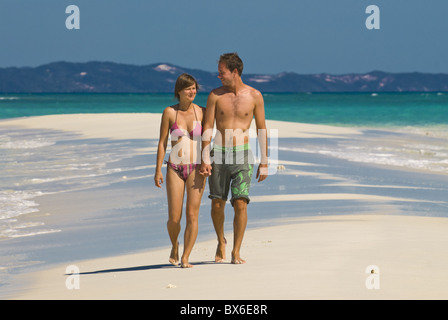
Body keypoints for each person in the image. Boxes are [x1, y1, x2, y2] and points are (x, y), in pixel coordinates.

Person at [200, 53, 268, 264]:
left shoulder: (255, 95)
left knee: (241, 203)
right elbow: (208, 126)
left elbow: (262, 128)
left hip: (244, 155)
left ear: (235, 72)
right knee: (217, 204)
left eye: (222, 72)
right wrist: (204, 157)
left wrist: (265, 161)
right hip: (218, 153)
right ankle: (221, 240)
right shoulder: (215, 95)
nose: (218, 75)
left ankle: (236, 251)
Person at [155, 73, 206, 268]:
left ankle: (185, 257)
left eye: (194, 88)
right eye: (188, 88)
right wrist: (158, 170)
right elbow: (162, 143)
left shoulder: (202, 112)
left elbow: (210, 139)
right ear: (179, 91)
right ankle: (175, 244)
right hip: (174, 168)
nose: (192, 91)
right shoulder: (169, 112)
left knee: (192, 215)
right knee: (174, 219)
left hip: (197, 168)